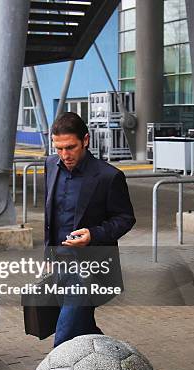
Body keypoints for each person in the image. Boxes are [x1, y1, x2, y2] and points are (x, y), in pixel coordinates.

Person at [44, 112, 136, 347]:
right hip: (60, 264)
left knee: (63, 338)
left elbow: (125, 218)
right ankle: (114, 360)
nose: (64, 155)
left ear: (85, 140)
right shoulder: (50, 166)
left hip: (91, 270)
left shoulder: (109, 176)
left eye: (70, 147)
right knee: (83, 329)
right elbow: (51, 218)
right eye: (59, 148)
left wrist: (93, 235)